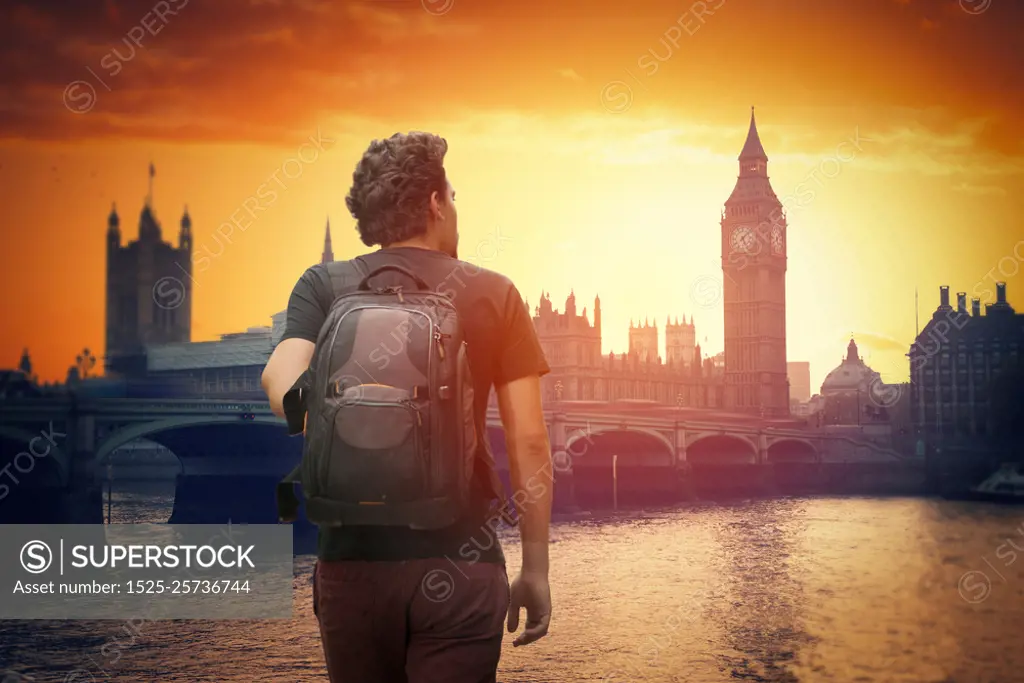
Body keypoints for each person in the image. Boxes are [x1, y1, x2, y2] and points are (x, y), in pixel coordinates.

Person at [261, 132, 553, 682]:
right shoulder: (494, 293)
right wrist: (534, 567)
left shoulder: (324, 285)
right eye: (453, 195)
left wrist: (335, 410)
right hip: (461, 564)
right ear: (436, 203)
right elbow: (530, 441)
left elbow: (278, 378)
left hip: (351, 565)